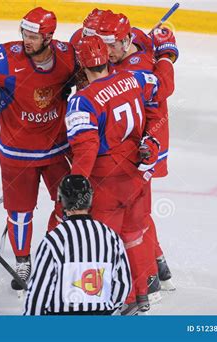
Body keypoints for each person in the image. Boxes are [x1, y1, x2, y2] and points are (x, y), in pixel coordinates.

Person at [65, 35, 168, 314]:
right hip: (135, 173)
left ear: (81, 64)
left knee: (96, 242)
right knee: (134, 234)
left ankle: (95, 303)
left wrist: (77, 185)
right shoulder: (135, 79)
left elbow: (86, 149)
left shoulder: (82, 100)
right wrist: (152, 141)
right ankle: (140, 294)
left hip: (105, 180)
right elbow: (159, 97)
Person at [0, 7, 77, 291]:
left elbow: (93, 71)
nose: (27, 40)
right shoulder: (5, 60)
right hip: (17, 154)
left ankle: (55, 254)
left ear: (49, 37)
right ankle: (23, 261)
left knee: (69, 205)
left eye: (34, 36)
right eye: (25, 33)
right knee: (20, 212)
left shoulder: (67, 58)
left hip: (56, 149)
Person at [96, 11, 178, 301]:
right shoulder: (138, 41)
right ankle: (158, 264)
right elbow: (147, 41)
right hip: (139, 142)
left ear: (124, 39)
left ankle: (150, 277)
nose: (105, 52)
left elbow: (164, 87)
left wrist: (167, 56)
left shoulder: (133, 72)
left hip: (145, 144)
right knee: (137, 212)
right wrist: (163, 49)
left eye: (110, 46)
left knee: (136, 214)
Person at [24, 175, 131, 315]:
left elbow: (39, 293)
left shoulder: (54, 239)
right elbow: (123, 284)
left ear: (62, 200)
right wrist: (107, 312)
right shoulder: (110, 236)